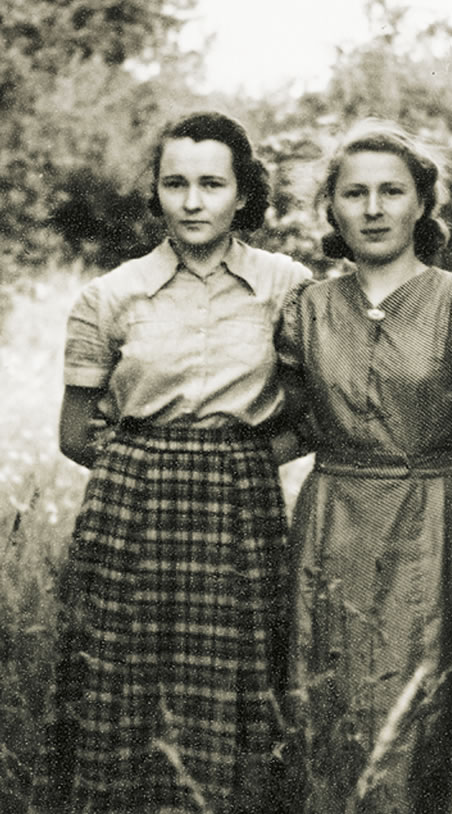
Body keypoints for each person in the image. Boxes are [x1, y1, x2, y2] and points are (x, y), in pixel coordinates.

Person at [30, 111, 311, 814]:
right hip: (132, 507)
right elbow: (76, 433)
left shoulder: (288, 287)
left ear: (242, 193)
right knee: (119, 680)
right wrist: (147, 466)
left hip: (238, 508)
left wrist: (242, 464)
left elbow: (314, 415)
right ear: (155, 191)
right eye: (174, 183)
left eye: (211, 184)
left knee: (234, 681)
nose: (191, 201)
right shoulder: (109, 295)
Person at [276, 119, 452, 813]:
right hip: (331, 534)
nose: (373, 208)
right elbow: (301, 431)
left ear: (422, 202)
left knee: (431, 728)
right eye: (354, 193)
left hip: (436, 531)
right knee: (330, 716)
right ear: (331, 207)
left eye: (392, 191)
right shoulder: (307, 309)